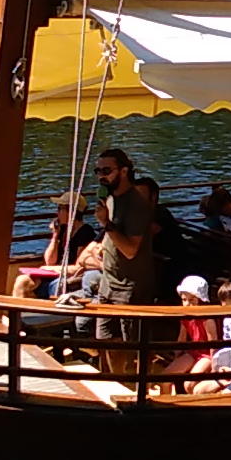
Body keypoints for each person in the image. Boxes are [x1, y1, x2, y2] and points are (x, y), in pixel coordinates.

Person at [93, 148, 154, 375]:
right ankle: (114, 382)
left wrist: (106, 224)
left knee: (134, 347)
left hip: (130, 288)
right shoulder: (110, 199)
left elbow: (130, 250)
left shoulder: (136, 204)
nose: (101, 176)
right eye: (98, 171)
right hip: (108, 283)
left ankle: (138, 386)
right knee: (106, 341)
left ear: (124, 171)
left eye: (107, 170)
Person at [157, 275, 217, 389]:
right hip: (193, 352)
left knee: (189, 384)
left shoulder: (208, 319)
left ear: (200, 300)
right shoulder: (185, 316)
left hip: (207, 356)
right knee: (165, 378)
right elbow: (182, 338)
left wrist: (214, 367)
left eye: (192, 300)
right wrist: (176, 358)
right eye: (184, 300)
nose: (188, 304)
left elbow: (213, 345)